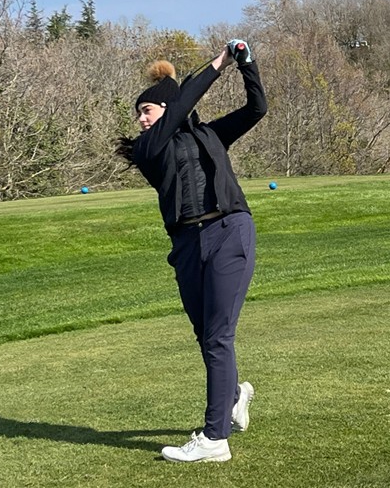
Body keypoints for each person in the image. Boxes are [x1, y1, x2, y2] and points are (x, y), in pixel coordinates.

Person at [116, 40, 267, 463]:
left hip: (229, 231)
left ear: (165, 106)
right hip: (185, 245)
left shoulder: (211, 134)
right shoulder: (148, 149)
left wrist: (245, 65)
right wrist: (218, 64)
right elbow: (182, 107)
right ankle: (234, 395)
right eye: (139, 114)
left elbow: (257, 109)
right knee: (206, 335)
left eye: (146, 110)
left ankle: (215, 438)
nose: (141, 119)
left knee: (218, 336)